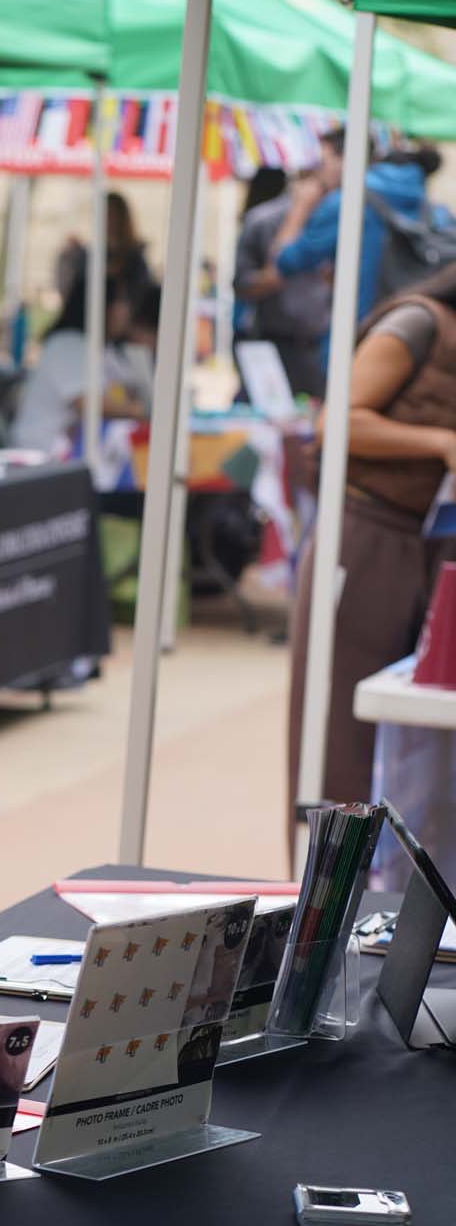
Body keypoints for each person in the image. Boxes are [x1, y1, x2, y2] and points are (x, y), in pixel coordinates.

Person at [287, 263, 456, 833]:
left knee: (422, 740)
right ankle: (332, 902)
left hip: (436, 549)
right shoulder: (419, 324)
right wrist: (439, 443)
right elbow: (339, 422)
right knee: (343, 742)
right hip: (368, 539)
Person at [262, 130, 430, 370]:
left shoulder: (345, 201)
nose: (319, 172)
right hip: (411, 334)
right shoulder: (419, 198)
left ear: (344, 160)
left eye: (324, 161)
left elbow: (283, 261)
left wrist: (301, 207)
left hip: (355, 339)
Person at [11, 282, 154, 455]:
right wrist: (140, 410)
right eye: (121, 302)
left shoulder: (104, 349)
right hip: (42, 455)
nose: (127, 311)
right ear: (102, 306)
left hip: (71, 453)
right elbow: (90, 403)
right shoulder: (69, 345)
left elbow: (125, 387)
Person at [233, 165, 327, 399]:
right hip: (272, 339)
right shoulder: (264, 221)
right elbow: (276, 266)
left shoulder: (338, 219)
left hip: (318, 345)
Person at [56, 191, 153, 324]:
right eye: (104, 215)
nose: (109, 220)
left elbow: (140, 295)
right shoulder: (89, 255)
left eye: (112, 215)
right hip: (87, 322)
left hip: (124, 327)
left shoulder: (135, 259)